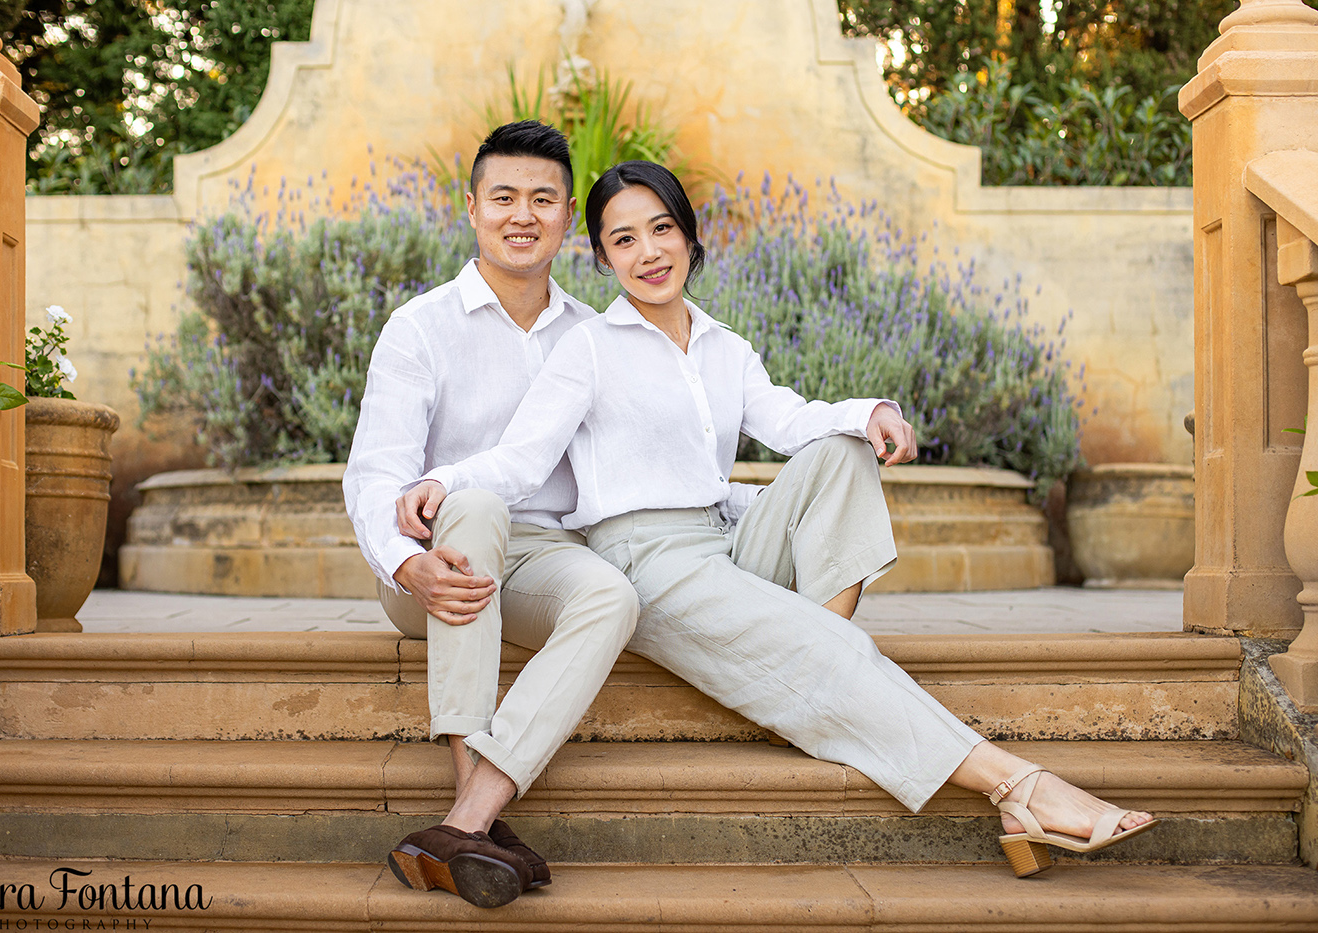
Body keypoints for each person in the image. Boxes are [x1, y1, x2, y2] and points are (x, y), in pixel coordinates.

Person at [398, 160, 1157, 879]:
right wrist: (441, 480)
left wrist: (873, 411)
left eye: (661, 229)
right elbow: (523, 458)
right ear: (602, 259)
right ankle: (1019, 786)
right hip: (642, 557)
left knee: (841, 449)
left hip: (720, 543)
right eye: (623, 240)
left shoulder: (724, 345)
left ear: (691, 238)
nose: (648, 252)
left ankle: (816, 652)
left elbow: (792, 421)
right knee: (826, 628)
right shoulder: (587, 347)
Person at [342, 122, 639, 909]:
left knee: (612, 594)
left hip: (539, 554)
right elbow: (374, 472)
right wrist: (406, 562)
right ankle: (468, 796)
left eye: (543, 199)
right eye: (504, 196)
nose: (522, 215)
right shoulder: (421, 327)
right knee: (471, 501)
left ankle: (465, 823)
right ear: (471, 207)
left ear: (569, 216)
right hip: (430, 564)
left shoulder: (596, 335)